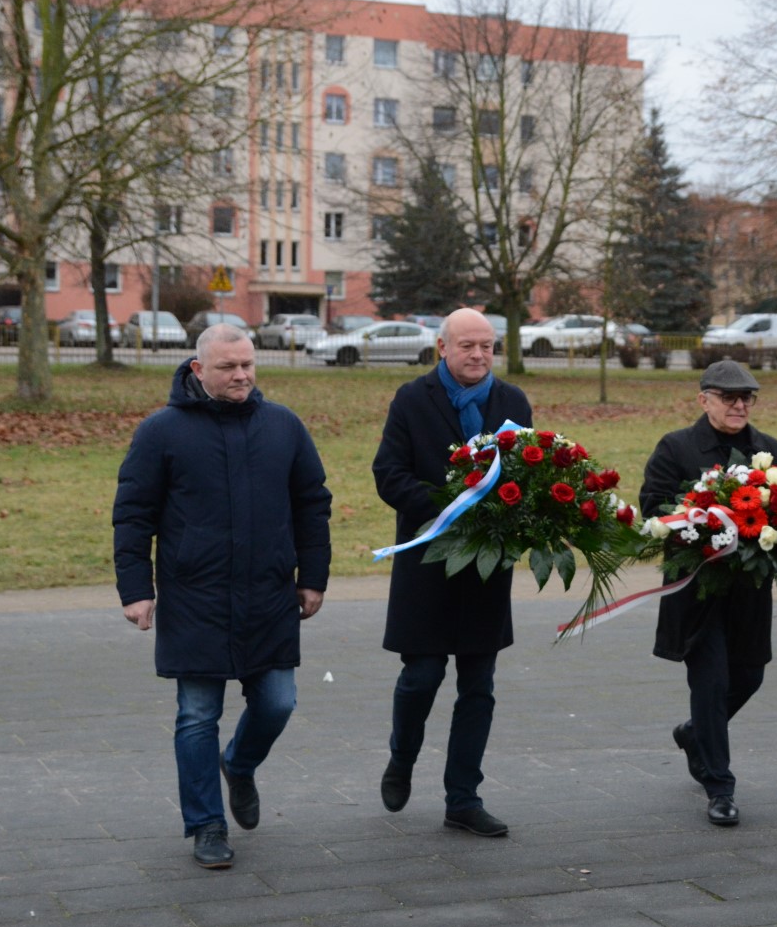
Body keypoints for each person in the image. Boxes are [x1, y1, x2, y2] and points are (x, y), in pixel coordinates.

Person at [113, 324, 331, 868]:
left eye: (248, 365)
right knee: (196, 715)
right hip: (196, 598)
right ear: (198, 370)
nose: (241, 376)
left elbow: (312, 503)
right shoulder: (160, 432)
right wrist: (137, 589)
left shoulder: (283, 426)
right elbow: (133, 515)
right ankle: (206, 824)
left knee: (279, 701)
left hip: (268, 595)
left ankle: (240, 762)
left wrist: (314, 576)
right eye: (228, 367)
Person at [372, 308, 531, 837]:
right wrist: (448, 506)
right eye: (468, 345)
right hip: (428, 561)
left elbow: (528, 472)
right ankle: (402, 757)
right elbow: (388, 474)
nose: (479, 355)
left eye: (487, 345)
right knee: (420, 677)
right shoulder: (412, 399)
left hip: (487, 566)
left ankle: (463, 797)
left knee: (479, 687)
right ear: (442, 346)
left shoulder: (512, 402)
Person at [640, 360, 777, 826]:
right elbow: (654, 508)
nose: (740, 404)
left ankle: (694, 733)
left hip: (749, 592)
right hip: (697, 591)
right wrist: (701, 520)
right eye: (729, 397)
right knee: (711, 682)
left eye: (747, 397)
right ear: (703, 400)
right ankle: (720, 787)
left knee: (751, 676)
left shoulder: (770, 449)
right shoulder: (676, 447)